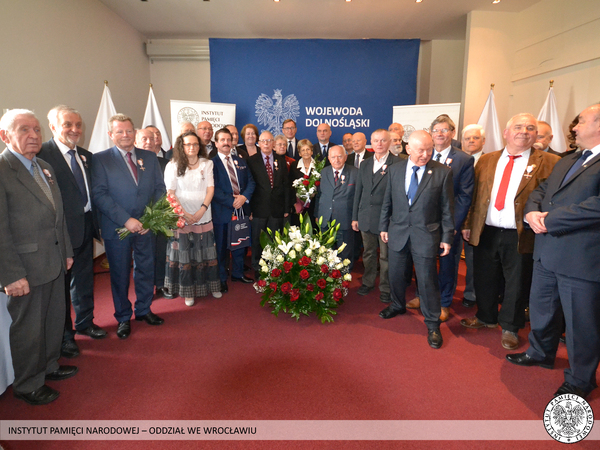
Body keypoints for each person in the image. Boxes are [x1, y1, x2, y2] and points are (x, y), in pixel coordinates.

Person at [506, 103, 600, 399]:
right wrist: (531, 212)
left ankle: (581, 379)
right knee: (542, 309)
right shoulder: (568, 159)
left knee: (581, 324)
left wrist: (550, 220)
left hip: (581, 258)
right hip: (547, 253)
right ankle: (540, 352)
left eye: (581, 121)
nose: (574, 128)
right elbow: (541, 190)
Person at [461, 113, 560, 350]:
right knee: (484, 277)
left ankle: (510, 327)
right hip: (486, 230)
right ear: (506, 132)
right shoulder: (487, 160)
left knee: (517, 283)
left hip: (521, 234)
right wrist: (468, 224)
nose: (524, 131)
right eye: (518, 127)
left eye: (530, 128)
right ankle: (485, 316)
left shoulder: (550, 162)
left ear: (536, 134)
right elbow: (475, 195)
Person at [0, 109, 75, 405]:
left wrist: (66, 251)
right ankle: (28, 383)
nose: (33, 135)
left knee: (53, 319)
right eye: (24, 130)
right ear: (5, 135)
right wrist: (10, 275)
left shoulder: (43, 166)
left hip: (53, 260)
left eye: (36, 129)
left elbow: (59, 215)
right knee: (29, 328)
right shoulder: (3, 170)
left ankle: (49, 365)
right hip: (24, 268)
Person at [38, 106, 106, 360]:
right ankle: (65, 336)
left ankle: (85, 323)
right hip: (60, 233)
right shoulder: (41, 155)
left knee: (85, 278)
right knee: (62, 289)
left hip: (86, 226)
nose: (75, 129)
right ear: (53, 126)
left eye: (78, 125)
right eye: (68, 124)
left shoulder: (86, 156)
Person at [91, 114, 166, 340]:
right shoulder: (100, 159)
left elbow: (159, 189)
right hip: (117, 227)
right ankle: (123, 316)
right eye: (120, 131)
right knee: (120, 273)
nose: (125, 135)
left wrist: (150, 219)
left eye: (129, 130)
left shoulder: (149, 157)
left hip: (146, 226)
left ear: (135, 132)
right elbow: (99, 194)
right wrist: (126, 220)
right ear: (110, 134)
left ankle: (144, 309)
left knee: (146, 269)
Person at [379, 131, 454, 349]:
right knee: (395, 275)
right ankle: (397, 305)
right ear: (408, 149)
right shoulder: (394, 170)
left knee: (427, 281)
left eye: (429, 150)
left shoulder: (443, 173)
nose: (425, 154)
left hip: (426, 235)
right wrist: (383, 226)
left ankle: (432, 324)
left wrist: (447, 237)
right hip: (398, 232)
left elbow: (447, 209)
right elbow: (387, 201)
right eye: (421, 150)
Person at [407, 115, 474, 322]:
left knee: (447, 265)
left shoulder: (463, 160)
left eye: (445, 130)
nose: (439, 134)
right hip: (423, 223)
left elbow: (464, 197)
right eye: (436, 130)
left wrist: (452, 225)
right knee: (423, 262)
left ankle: (444, 302)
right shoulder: (422, 155)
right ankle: (421, 295)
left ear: (452, 133)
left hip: (447, 224)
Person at [163, 131, 221, 305]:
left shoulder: (207, 163)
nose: (192, 147)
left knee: (206, 253)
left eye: (195, 144)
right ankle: (188, 292)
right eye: (188, 144)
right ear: (181, 146)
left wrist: (202, 209)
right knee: (186, 255)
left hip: (203, 214)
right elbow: (170, 193)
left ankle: (212, 286)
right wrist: (184, 214)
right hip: (182, 217)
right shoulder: (172, 165)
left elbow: (210, 189)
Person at [352, 129, 403, 302]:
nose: (379, 144)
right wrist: (355, 217)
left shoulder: (398, 163)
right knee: (368, 253)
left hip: (387, 219)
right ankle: (367, 282)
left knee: (386, 256)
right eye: (376, 141)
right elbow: (358, 192)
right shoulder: (365, 164)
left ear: (389, 142)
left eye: (383, 140)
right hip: (365, 217)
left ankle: (386, 287)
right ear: (371, 143)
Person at [211, 128, 256, 293]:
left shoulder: (240, 161)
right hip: (222, 211)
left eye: (228, 140)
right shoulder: (211, 163)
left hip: (242, 209)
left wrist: (243, 198)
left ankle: (238, 273)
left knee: (240, 243)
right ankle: (222, 278)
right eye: (222, 140)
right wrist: (232, 201)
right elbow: (213, 189)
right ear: (216, 143)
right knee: (221, 247)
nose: (226, 143)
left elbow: (251, 182)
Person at [247, 131, 290, 276]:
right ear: (259, 143)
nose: (266, 144)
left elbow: (286, 185)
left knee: (274, 240)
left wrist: (286, 207)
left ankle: (274, 268)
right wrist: (249, 209)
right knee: (257, 240)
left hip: (277, 208)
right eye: (263, 141)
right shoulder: (251, 161)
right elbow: (248, 185)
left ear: (273, 143)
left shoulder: (281, 160)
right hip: (258, 208)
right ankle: (258, 268)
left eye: (269, 141)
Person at [136, 128, 170, 299]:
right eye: (144, 139)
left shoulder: (165, 163)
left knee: (160, 251)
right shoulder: (130, 163)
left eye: (152, 139)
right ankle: (145, 289)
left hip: (160, 216)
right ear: (136, 142)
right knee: (143, 256)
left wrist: (156, 215)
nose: (149, 142)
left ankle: (160, 284)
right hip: (137, 219)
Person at [315, 146, 357, 265]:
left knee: (345, 254)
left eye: (339, 156)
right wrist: (317, 214)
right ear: (329, 158)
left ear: (345, 157)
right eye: (333, 157)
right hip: (325, 219)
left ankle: (344, 275)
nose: (336, 160)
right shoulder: (324, 172)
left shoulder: (355, 172)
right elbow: (319, 195)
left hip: (345, 219)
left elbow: (358, 198)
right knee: (326, 253)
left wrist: (355, 218)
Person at [458, 124, 486, 308]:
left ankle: (471, 294)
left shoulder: (489, 161)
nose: (471, 141)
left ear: (483, 141)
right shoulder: (456, 159)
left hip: (475, 220)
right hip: (454, 218)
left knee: (473, 260)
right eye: (467, 138)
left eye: (475, 138)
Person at [290, 139, 318, 225]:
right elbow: (290, 186)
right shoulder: (294, 166)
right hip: (298, 206)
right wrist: (294, 203)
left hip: (314, 205)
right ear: (299, 153)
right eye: (303, 150)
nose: (306, 152)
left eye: (308, 149)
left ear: (312, 152)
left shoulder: (318, 165)